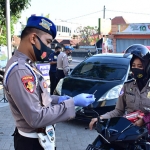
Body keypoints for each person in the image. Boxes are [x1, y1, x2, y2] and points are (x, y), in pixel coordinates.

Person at [3, 15, 95, 150]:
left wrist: (57, 100)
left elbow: (36, 98)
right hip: (32, 143)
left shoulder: (28, 65)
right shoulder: (20, 70)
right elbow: (36, 117)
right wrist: (72, 103)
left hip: (40, 139)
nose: (49, 48)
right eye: (48, 42)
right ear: (33, 38)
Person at [89, 44, 150, 132]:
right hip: (128, 132)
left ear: (147, 67)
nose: (136, 69)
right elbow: (118, 111)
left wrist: (144, 120)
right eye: (133, 66)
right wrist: (100, 118)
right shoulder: (127, 86)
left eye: (140, 66)